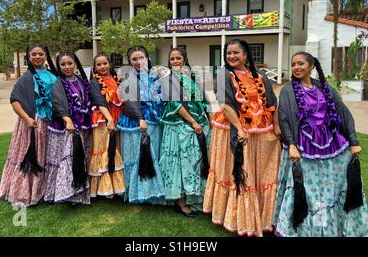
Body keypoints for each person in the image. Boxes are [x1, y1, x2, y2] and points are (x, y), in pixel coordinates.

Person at [273, 52, 368, 237]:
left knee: (330, 188)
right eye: (293, 64)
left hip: (331, 146)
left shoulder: (325, 88)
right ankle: (304, 230)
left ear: (311, 66)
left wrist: (353, 141)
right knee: (307, 190)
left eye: (300, 63)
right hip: (302, 147)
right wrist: (291, 144)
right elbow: (283, 118)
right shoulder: (287, 91)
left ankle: (331, 229)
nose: (296, 68)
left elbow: (344, 113)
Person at [203, 39, 281, 237]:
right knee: (243, 171)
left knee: (260, 172)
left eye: (236, 52)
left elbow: (272, 103)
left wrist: (277, 127)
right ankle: (239, 218)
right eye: (228, 53)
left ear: (245, 54)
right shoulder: (223, 75)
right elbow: (225, 105)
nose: (232, 56)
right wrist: (239, 128)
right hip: (236, 127)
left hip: (262, 129)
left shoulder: (260, 75)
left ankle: (262, 217)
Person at [0, 44, 58, 206]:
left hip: (50, 121)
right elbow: (14, 100)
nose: (37, 57)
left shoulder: (52, 74)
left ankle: (46, 189)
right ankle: (25, 191)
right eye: (34, 54)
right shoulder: (26, 77)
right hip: (33, 121)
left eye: (41, 54)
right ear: (29, 57)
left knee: (46, 154)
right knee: (33, 154)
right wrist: (26, 119)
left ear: (46, 56)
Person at [159, 47, 211, 217]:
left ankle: (194, 198)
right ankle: (180, 202)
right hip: (177, 126)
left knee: (193, 163)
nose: (175, 62)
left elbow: (202, 100)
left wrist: (208, 118)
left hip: (196, 124)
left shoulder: (192, 78)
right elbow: (175, 105)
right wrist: (193, 122)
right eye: (172, 59)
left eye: (178, 58)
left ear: (185, 60)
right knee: (178, 164)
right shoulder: (167, 80)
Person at [117, 45, 165, 204]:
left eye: (141, 58)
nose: (138, 62)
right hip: (138, 121)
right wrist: (140, 118)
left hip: (154, 119)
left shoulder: (154, 76)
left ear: (148, 58)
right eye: (134, 59)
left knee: (152, 155)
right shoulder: (128, 77)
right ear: (130, 62)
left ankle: (153, 193)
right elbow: (129, 101)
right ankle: (137, 193)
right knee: (137, 155)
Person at [44, 51, 92, 205]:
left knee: (78, 158)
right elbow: (57, 103)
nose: (66, 67)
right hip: (66, 127)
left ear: (75, 63)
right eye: (63, 64)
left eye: (69, 63)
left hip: (81, 125)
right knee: (67, 159)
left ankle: (78, 193)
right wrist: (68, 120)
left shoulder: (80, 80)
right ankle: (65, 193)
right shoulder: (59, 83)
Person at [89, 52, 125, 198]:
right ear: (95, 67)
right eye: (99, 64)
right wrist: (109, 119)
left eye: (105, 63)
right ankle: (103, 189)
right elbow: (99, 101)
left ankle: (117, 187)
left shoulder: (116, 80)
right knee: (102, 149)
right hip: (103, 120)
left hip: (117, 119)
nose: (102, 67)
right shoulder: (94, 82)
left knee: (115, 149)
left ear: (110, 64)